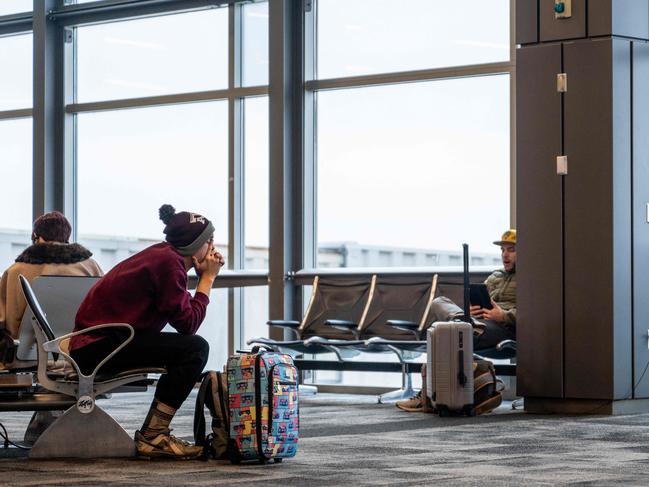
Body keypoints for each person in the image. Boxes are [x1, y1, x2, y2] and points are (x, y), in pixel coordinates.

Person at [69, 204, 224, 459]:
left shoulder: (162, 257)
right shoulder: (169, 264)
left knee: (189, 348)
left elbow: (183, 315)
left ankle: (155, 432)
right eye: (210, 240)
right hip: (99, 347)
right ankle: (154, 434)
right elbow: (188, 324)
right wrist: (207, 281)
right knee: (195, 349)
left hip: (96, 343)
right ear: (194, 245)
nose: (213, 249)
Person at [395, 229, 517, 412]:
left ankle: (426, 398)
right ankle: (464, 323)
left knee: (441, 336)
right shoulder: (494, 277)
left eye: (511, 250)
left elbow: (536, 313)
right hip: (480, 324)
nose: (505, 255)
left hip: (503, 329)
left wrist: (503, 315)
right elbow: (481, 300)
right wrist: (471, 311)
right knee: (439, 302)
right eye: (502, 250)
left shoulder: (532, 279)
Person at [0, 211, 103, 354]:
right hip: (79, 354)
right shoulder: (91, 267)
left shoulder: (15, 272)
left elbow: (2, 321)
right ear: (67, 238)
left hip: (26, 356)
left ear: (37, 237)